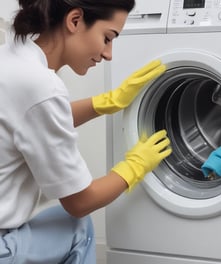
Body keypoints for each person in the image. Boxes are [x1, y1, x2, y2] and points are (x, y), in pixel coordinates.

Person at [0, 0, 172, 263]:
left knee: (69, 224)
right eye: (107, 38)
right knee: (79, 226)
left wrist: (106, 102)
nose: (108, 54)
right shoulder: (42, 87)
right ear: (75, 21)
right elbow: (80, 202)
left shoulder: (11, 55)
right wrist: (135, 166)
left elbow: (32, 120)